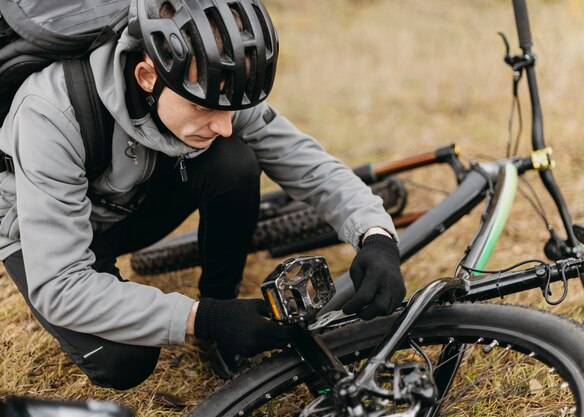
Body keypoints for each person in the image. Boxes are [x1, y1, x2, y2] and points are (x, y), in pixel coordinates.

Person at [0, 0, 405, 390]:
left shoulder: (212, 86)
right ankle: (215, 319)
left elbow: (302, 159)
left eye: (230, 109)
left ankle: (222, 309)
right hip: (51, 230)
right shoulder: (50, 111)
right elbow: (61, 285)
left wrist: (376, 235)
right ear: (147, 76)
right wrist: (201, 318)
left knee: (235, 162)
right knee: (123, 360)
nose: (225, 126)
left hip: (129, 196)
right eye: (205, 110)